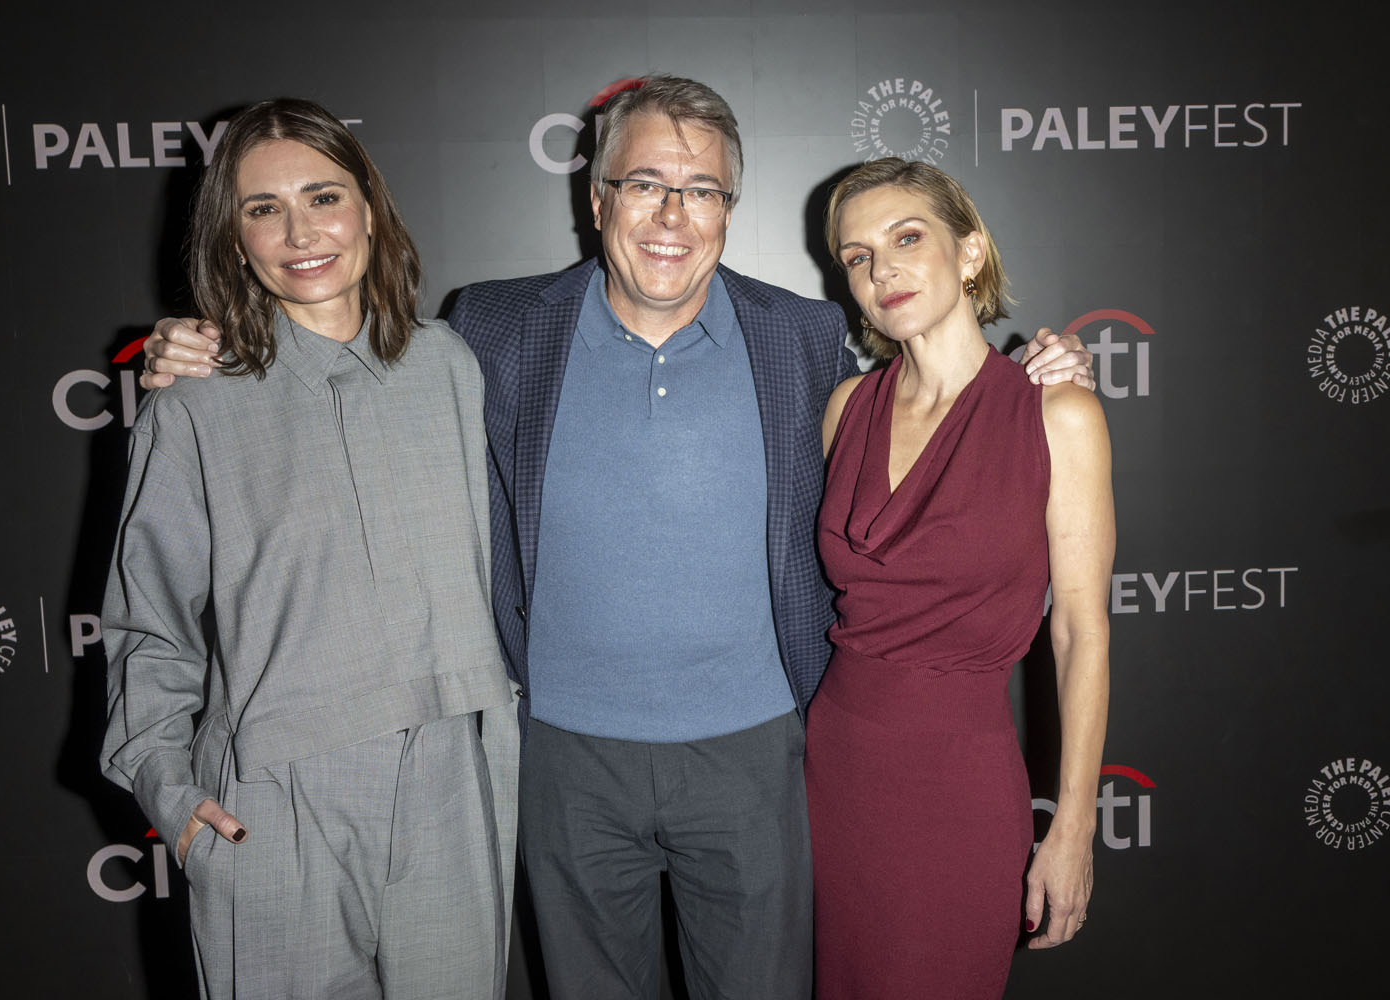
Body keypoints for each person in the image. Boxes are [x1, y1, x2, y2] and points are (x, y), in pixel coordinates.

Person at [138, 77, 1094, 1000]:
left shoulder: (802, 338)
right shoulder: (493, 328)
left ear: (729, 211)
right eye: (644, 184)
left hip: (759, 757)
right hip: (564, 761)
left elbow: (942, 401)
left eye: (702, 190)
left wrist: (1049, 371)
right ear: (597, 201)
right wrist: (206, 344)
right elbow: (349, 361)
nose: (672, 214)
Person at [100, 98, 518, 1000]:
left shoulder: (451, 365)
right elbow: (148, 622)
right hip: (275, 800)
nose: (300, 233)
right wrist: (172, 795)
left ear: (368, 206)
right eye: (264, 208)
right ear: (234, 237)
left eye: (323, 196)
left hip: (452, 778)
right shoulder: (194, 403)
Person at [806, 157, 1113, 999]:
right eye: (859, 256)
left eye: (908, 238)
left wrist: (1074, 827)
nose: (883, 270)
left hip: (957, 783)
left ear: (970, 252)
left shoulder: (1056, 414)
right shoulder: (847, 409)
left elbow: (1081, 630)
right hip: (829, 772)